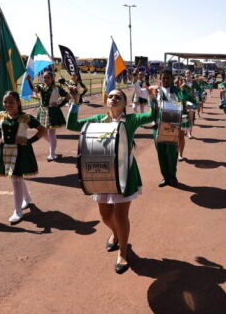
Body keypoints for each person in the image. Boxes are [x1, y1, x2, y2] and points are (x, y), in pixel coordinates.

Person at [66, 86, 159, 274]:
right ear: (105, 101)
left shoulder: (131, 120)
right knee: (105, 216)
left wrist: (152, 98)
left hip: (125, 174)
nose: (114, 99)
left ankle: (123, 252)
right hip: (101, 173)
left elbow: (152, 116)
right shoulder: (98, 120)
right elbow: (72, 125)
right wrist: (75, 103)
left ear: (125, 103)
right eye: (111, 96)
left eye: (118, 97)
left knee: (120, 216)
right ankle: (116, 233)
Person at [0, 91, 47, 223]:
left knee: (16, 180)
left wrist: (29, 141)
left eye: (11, 102)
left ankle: (18, 211)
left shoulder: (26, 117)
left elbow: (43, 130)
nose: (7, 104)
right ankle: (27, 199)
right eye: (5, 102)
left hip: (21, 152)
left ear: (18, 102)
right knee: (17, 177)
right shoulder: (1, 116)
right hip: (5, 150)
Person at [154, 70, 194, 187]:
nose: (165, 80)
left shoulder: (177, 91)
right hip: (158, 126)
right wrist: (136, 81)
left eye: (168, 78)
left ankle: (173, 176)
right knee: (161, 154)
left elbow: (187, 100)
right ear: (160, 79)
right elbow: (142, 94)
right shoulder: (156, 91)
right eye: (163, 78)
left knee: (172, 153)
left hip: (172, 126)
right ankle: (165, 177)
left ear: (172, 79)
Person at [34, 71, 69, 161]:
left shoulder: (57, 88)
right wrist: (29, 81)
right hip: (43, 111)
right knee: (42, 132)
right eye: (44, 77)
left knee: (51, 133)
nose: (46, 79)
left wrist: (59, 105)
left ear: (52, 78)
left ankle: (52, 154)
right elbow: (34, 90)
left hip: (53, 111)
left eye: (48, 77)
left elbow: (67, 96)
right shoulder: (41, 86)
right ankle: (53, 145)